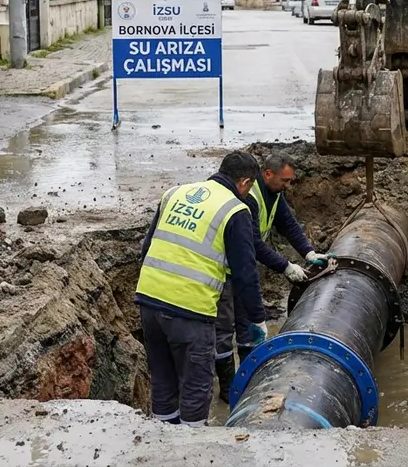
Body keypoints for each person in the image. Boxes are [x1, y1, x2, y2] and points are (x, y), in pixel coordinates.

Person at [135, 150, 267, 427]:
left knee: (163, 380)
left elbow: (147, 248)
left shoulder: (175, 193)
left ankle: (163, 440)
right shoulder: (235, 209)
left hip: (149, 300)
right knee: (196, 385)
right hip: (190, 310)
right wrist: (257, 319)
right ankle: (191, 449)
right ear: (244, 182)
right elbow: (245, 273)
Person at [213, 152, 332, 402]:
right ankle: (226, 390)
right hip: (222, 273)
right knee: (223, 333)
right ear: (267, 174)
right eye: (285, 181)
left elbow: (288, 224)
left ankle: (247, 381)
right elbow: (255, 243)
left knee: (248, 330)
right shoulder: (250, 197)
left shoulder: (274, 194)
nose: (288, 186)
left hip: (243, 270)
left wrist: (308, 253)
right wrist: (286, 266)